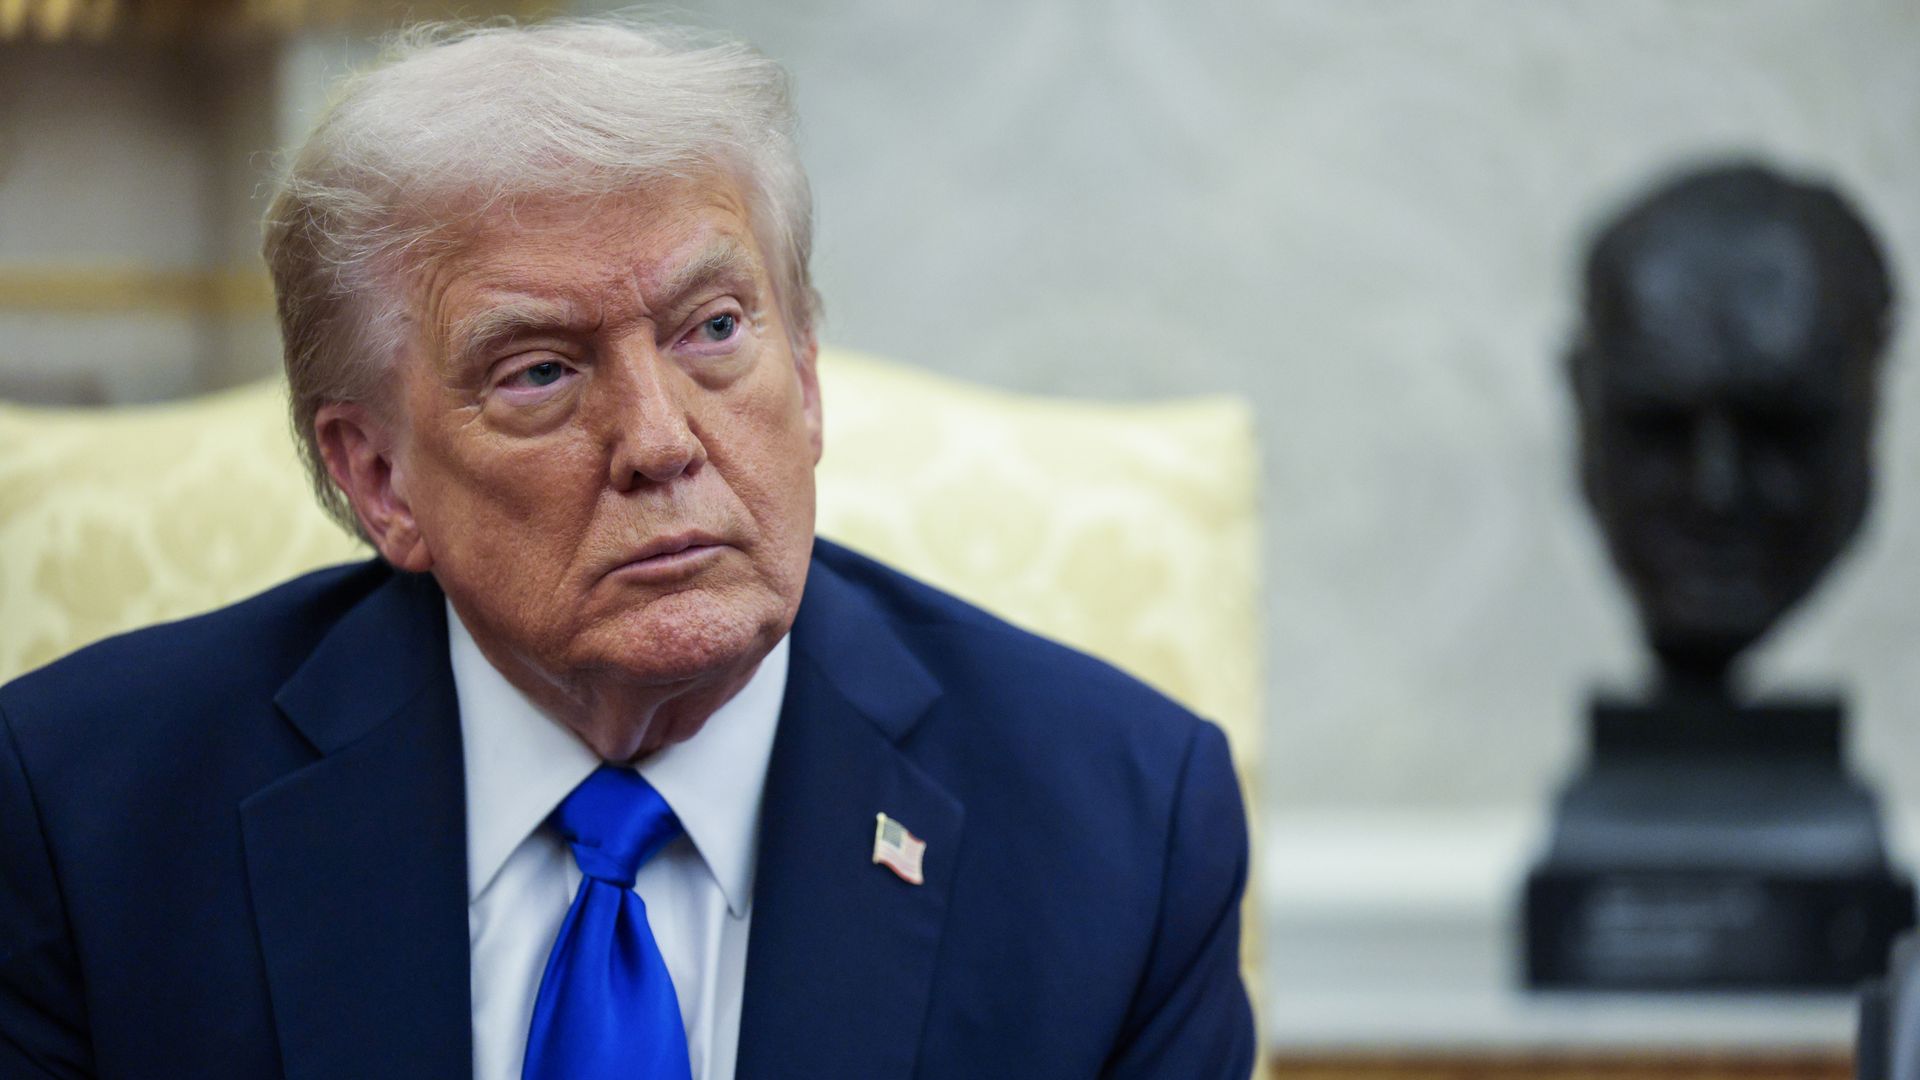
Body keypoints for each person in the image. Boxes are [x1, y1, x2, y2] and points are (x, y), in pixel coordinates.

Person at [0, 18, 1255, 1080]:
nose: (660, 442)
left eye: (714, 329)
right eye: (540, 371)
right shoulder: (85, 820)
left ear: (807, 377)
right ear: (378, 477)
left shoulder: (1118, 831)